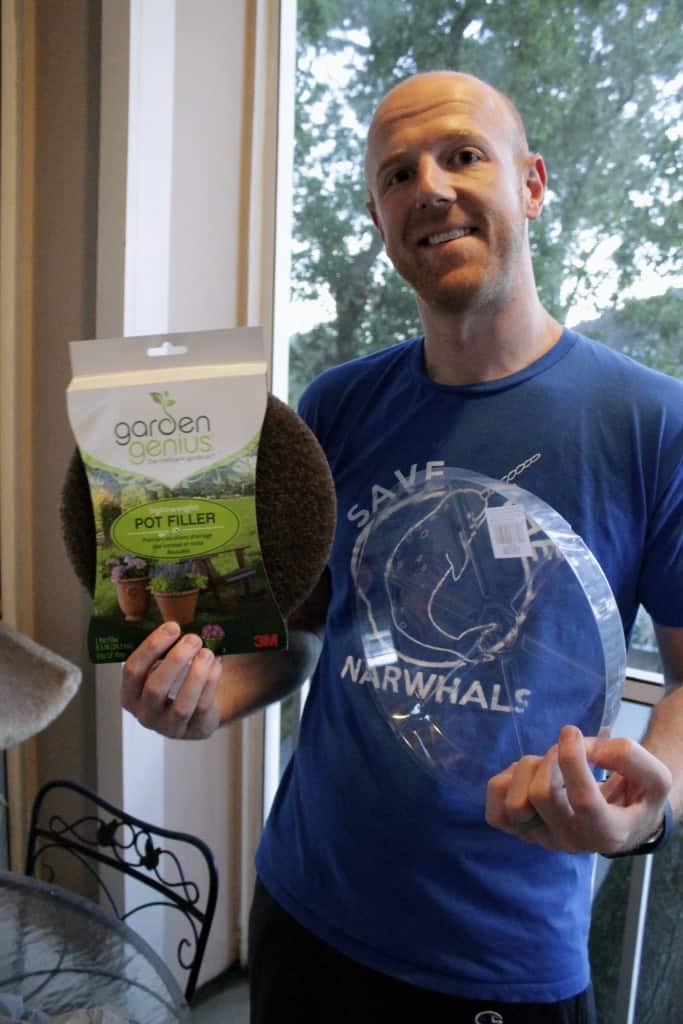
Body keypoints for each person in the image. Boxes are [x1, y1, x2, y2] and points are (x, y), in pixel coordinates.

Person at [121, 71, 683, 1022]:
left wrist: (645, 804)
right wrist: (207, 697)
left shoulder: (652, 422)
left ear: (532, 185)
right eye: (395, 174)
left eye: (462, 154)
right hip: (306, 910)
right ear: (382, 221)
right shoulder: (337, 406)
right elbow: (297, 636)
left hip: (503, 955)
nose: (428, 185)